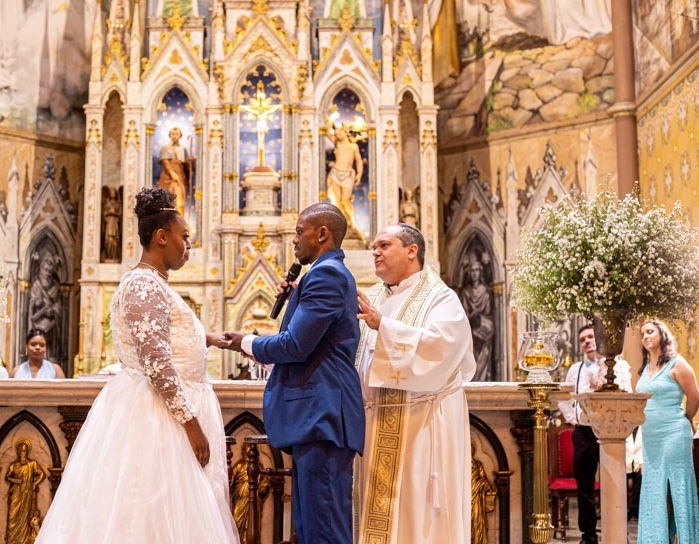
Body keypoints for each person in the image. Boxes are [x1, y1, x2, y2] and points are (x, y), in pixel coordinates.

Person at [34, 188, 238, 542]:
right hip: (157, 418)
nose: (188, 246)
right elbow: (156, 361)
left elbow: (162, 337)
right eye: (184, 237)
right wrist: (191, 425)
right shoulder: (144, 285)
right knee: (149, 512)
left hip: (162, 412)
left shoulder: (152, 284)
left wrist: (206, 338)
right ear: (161, 237)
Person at [217, 203, 365, 544]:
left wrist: (246, 342)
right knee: (312, 527)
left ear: (322, 234)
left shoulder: (326, 274)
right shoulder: (319, 275)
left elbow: (297, 345)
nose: (294, 240)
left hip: (322, 418)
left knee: (324, 530)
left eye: (300, 232)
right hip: (317, 419)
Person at [354, 223, 476, 543]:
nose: (375, 252)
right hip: (375, 422)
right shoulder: (377, 295)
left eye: (384, 245)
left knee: (417, 514)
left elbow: (442, 347)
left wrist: (384, 325)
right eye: (374, 247)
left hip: (421, 424)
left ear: (412, 252)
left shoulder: (440, 298)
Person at [557, 324, 632, 544]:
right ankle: (588, 535)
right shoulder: (576, 369)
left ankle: (618, 532)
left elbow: (626, 391)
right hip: (584, 433)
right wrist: (575, 419)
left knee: (615, 483)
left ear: (599, 338)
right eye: (583, 339)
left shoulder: (618, 366)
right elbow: (565, 399)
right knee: (585, 488)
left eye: (591, 337)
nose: (587, 341)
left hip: (611, 432)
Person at [636, 320, 699, 544]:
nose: (645, 336)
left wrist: (686, 419)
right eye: (642, 333)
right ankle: (655, 539)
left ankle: (685, 539)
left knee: (677, 487)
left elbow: (694, 397)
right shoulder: (644, 367)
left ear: (663, 334)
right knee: (653, 488)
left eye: (650, 331)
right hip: (650, 435)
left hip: (674, 431)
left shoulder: (678, 363)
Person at [325, 125, 365, 241]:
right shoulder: (337, 144)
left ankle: (351, 221)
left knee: (345, 200)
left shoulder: (353, 146)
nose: (339, 134)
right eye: (336, 134)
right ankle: (343, 223)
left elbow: (358, 161)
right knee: (337, 202)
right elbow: (326, 131)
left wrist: (359, 174)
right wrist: (329, 118)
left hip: (348, 174)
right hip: (335, 173)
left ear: (346, 132)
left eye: (340, 132)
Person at [6, 439, 45, 544]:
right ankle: (12, 540)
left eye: (25, 450)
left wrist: (35, 483)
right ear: (18, 451)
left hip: (27, 494)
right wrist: (16, 481)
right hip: (16, 493)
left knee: (27, 518)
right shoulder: (14, 465)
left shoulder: (32, 464)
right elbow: (7, 477)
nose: (24, 453)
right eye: (22, 450)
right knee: (12, 516)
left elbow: (41, 474)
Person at [157, 126, 191, 217]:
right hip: (168, 177)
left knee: (179, 198)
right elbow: (164, 161)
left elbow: (187, 166)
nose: (174, 136)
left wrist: (190, 163)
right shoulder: (165, 148)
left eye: (177, 134)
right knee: (167, 198)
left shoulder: (183, 149)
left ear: (180, 136)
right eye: (172, 134)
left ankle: (179, 220)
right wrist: (171, 173)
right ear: (169, 135)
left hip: (180, 175)